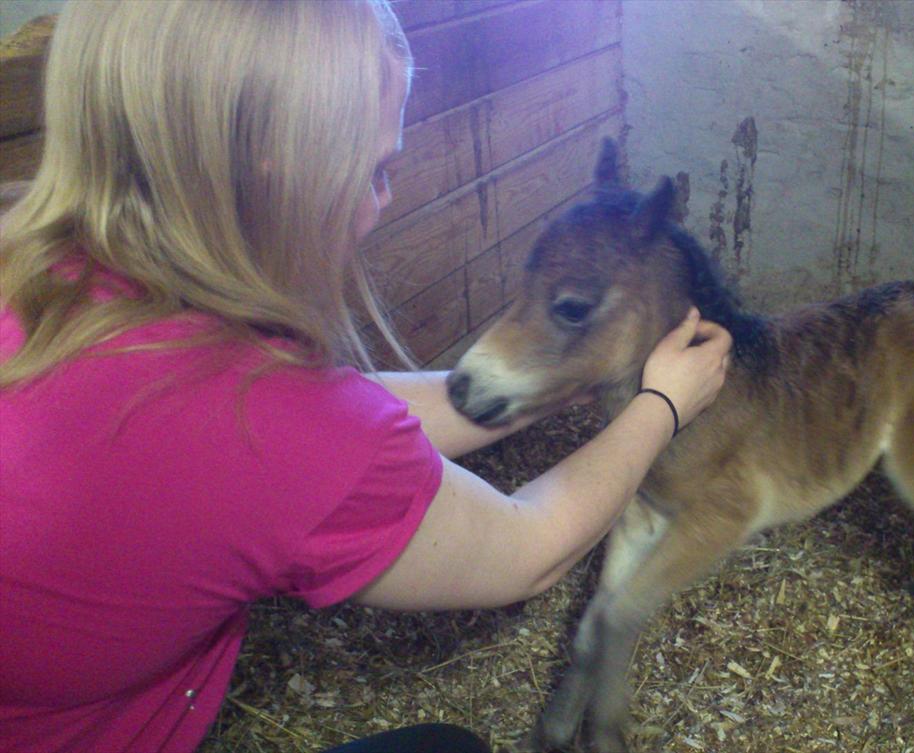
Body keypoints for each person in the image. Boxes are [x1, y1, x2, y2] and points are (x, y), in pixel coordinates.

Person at [0, 2, 732, 752]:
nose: (382, 203)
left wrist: (536, 384)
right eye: (377, 169)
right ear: (280, 172)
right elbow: (527, 546)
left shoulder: (47, 269)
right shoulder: (259, 419)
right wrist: (662, 404)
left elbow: (351, 416)